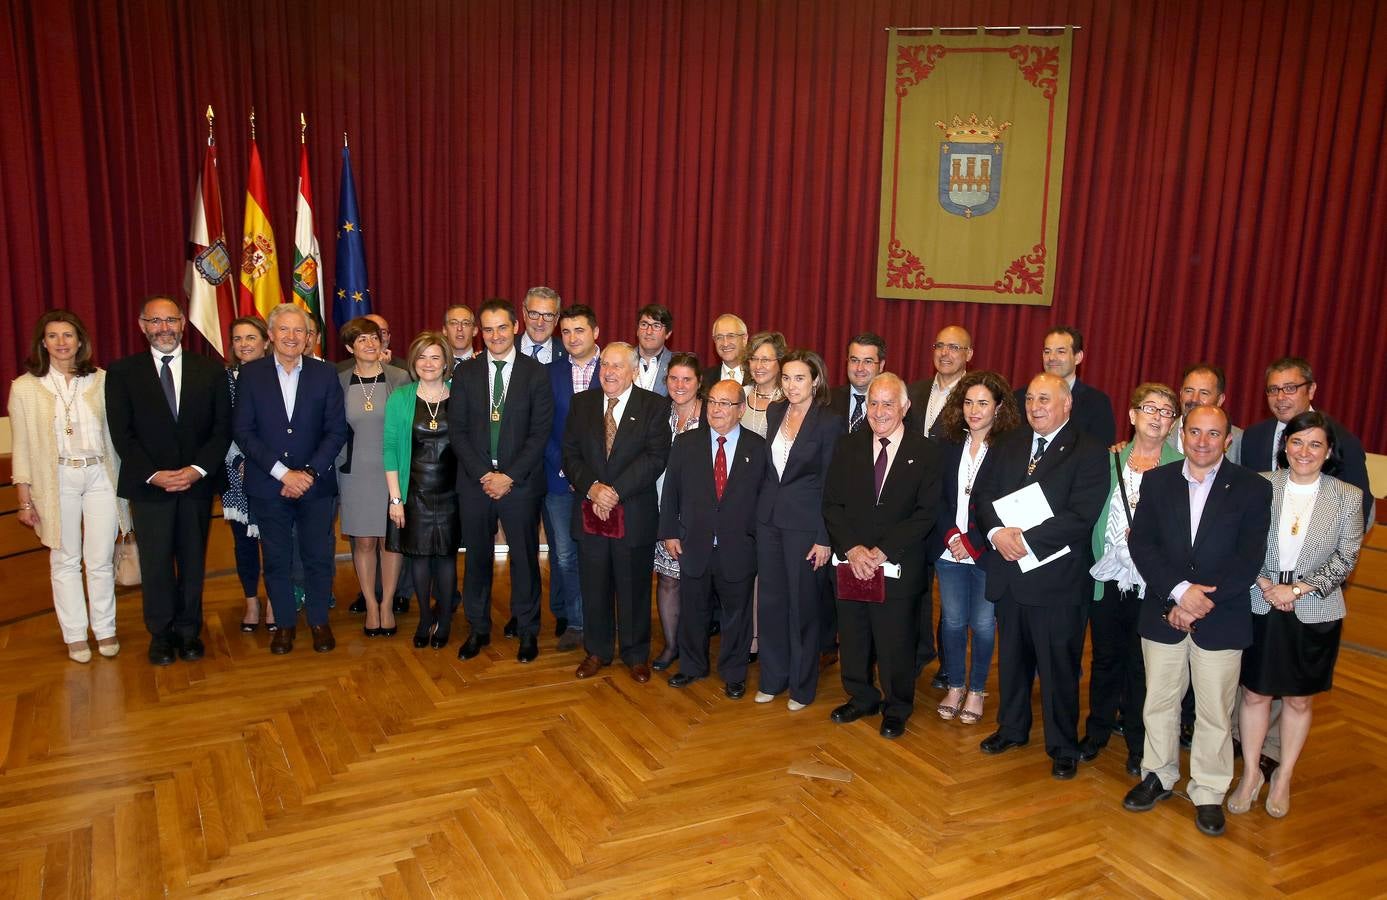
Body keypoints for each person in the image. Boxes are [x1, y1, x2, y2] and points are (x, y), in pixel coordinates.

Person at [1123, 406, 1271, 838]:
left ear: (1228, 439)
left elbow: (1248, 559)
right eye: (1194, 432)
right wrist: (1177, 592)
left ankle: (1207, 791)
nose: (1202, 442)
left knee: (1214, 712)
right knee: (1160, 701)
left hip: (1220, 615)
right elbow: (1143, 546)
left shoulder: (1252, 488)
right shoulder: (1158, 481)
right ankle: (1158, 775)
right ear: (1181, 435)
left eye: (1213, 434)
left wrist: (1199, 600)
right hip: (1163, 608)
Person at [1227, 411, 1364, 819]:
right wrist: (1269, 586)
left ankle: (1283, 775)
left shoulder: (1347, 496)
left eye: (1315, 444)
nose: (1305, 451)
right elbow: (1242, 544)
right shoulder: (1260, 486)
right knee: (1254, 693)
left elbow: (1347, 557)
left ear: (1328, 451)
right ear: (1285, 447)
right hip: (1261, 601)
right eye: (1297, 442)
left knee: (1299, 702)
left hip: (1314, 608)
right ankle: (1250, 773)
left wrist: (1298, 589)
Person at [973, 373, 1108, 780]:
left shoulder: (1089, 450)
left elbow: (1081, 515)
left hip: (1057, 581)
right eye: (1030, 398)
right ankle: (1012, 728)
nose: (1036, 407)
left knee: (1058, 669)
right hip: (1011, 573)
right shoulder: (1009, 441)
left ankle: (1062, 745)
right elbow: (982, 495)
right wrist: (998, 534)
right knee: (1011, 661)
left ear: (1067, 404)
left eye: (1045, 399)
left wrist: (1025, 540)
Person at [105, 295, 231, 665]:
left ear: (182, 324)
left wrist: (196, 471)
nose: (164, 329)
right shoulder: (122, 372)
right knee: (157, 563)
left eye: (171, 321)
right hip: (149, 487)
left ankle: (189, 632)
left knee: (193, 562)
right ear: (143, 326)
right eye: (156, 322)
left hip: (196, 485)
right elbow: (121, 434)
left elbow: (221, 431)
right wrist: (155, 475)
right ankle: (160, 634)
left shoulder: (209, 370)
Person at [823, 374, 942, 738]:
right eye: (873, 403)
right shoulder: (848, 446)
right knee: (855, 634)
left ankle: (897, 706)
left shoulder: (925, 452)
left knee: (895, 641)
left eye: (888, 403)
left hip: (897, 564)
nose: (879, 411)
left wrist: (884, 550)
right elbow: (832, 504)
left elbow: (926, 512)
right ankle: (861, 696)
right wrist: (853, 549)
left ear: (905, 407)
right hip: (853, 561)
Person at [9, 310, 128, 663]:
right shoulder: (25, 387)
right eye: (53, 336)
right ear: (42, 343)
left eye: (68, 335)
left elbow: (118, 435)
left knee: (100, 559)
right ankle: (75, 634)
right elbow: (22, 446)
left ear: (80, 341)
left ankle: (105, 629)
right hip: (56, 478)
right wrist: (24, 500)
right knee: (64, 559)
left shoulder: (103, 380)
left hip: (100, 477)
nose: (61, 343)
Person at [233, 303, 349, 655]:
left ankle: (318, 621)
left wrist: (309, 473)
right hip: (269, 486)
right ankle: (283, 624)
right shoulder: (251, 375)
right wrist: (284, 474)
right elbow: (243, 431)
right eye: (284, 329)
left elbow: (335, 430)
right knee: (277, 559)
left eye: (299, 331)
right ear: (271, 335)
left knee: (317, 557)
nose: (291, 337)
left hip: (316, 486)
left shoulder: (324, 373)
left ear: (309, 337)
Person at [1079, 383, 1184, 775]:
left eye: (1166, 411)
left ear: (1173, 422)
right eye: (1149, 408)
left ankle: (1140, 744)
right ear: (1132, 415)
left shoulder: (1181, 466)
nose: (1157, 416)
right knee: (1105, 658)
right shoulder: (1108, 460)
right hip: (1108, 577)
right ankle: (1097, 731)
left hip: (1153, 584)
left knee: (1144, 667)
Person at [450, 298, 554, 663]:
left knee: (524, 559)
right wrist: (485, 474)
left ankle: (527, 630)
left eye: (502, 328)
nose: (495, 335)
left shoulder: (536, 373)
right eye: (488, 329)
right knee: (477, 558)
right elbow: (458, 432)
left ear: (516, 328)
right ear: (482, 332)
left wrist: (508, 475)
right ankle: (478, 628)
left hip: (520, 483)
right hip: (475, 483)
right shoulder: (465, 374)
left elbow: (540, 433)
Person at [563, 342, 672, 682]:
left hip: (633, 513)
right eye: (604, 365)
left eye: (616, 366)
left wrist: (615, 492)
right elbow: (570, 454)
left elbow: (656, 457)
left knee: (633, 587)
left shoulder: (653, 405)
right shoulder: (582, 404)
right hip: (590, 511)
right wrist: (593, 488)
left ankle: (635, 654)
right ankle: (597, 651)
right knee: (593, 585)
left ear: (634, 371)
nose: (608, 372)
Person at [930, 371, 1021, 727]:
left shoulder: (1010, 450)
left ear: (998, 407)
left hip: (987, 552)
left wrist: (972, 541)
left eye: (983, 403)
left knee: (983, 625)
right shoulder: (947, 444)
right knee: (952, 622)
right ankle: (954, 685)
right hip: (948, 549)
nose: (974, 410)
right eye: (968, 402)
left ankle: (977, 690)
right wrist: (952, 535)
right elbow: (936, 496)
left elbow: (1005, 504)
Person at [662, 378, 762, 697]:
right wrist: (669, 532)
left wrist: (757, 540)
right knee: (694, 610)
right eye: (713, 402)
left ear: (741, 410)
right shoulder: (686, 443)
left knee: (737, 615)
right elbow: (671, 494)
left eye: (726, 403)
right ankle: (692, 666)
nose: (717, 409)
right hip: (694, 543)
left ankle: (734, 672)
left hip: (739, 546)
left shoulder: (757, 448)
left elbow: (764, 499)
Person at [755, 349, 842, 711]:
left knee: (803, 607)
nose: (791, 385)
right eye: (787, 378)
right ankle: (773, 679)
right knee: (772, 603)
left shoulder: (829, 421)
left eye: (800, 378)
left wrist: (824, 537)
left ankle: (801, 687)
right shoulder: (775, 412)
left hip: (807, 527)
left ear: (816, 380)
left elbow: (831, 483)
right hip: (769, 522)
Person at [385, 333, 463, 648]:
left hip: (451, 494)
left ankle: (444, 620)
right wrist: (395, 500)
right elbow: (389, 449)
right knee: (418, 560)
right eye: (421, 357)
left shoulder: (460, 396)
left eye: (434, 357)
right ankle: (424, 619)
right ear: (414, 363)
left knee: (445, 559)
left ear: (446, 362)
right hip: (412, 492)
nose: (428, 363)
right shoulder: (401, 397)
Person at [337, 317, 411, 636]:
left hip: (392, 473)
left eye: (373, 337)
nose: (369, 343)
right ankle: (370, 604)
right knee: (364, 541)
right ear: (349, 348)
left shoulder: (400, 377)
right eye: (361, 340)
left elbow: (410, 427)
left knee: (390, 541)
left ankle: (388, 603)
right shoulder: (338, 381)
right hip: (354, 474)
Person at [1241, 357, 1374, 528]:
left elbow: (1358, 510)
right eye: (1273, 389)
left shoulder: (1342, 441)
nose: (1280, 397)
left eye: (1290, 388)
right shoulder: (1253, 437)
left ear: (1311, 390)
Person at [545, 304, 603, 651]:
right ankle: (576, 622)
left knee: (600, 554)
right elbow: (542, 430)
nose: (571, 338)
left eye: (579, 330)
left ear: (595, 331)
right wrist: (569, 470)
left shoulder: (613, 368)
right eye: (565, 332)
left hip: (603, 484)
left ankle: (601, 620)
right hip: (560, 480)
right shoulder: (549, 373)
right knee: (565, 555)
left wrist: (592, 478)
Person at [652, 352, 704, 670]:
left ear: (699, 383)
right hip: (660, 509)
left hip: (698, 516)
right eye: (673, 378)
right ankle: (671, 646)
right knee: (668, 581)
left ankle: (692, 649)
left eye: (687, 379)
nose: (679, 385)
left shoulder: (711, 417)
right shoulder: (658, 413)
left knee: (696, 585)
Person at [222, 317, 273, 631]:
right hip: (234, 473)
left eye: (251, 337)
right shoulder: (223, 379)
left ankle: (275, 600)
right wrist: (238, 461)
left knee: (273, 540)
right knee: (243, 542)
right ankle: (251, 601)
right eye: (238, 338)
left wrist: (260, 462)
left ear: (266, 341)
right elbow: (221, 425)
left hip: (269, 470)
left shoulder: (276, 377)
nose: (244, 344)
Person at [1013, 327, 1116, 446]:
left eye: (1060, 352)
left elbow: (1101, 450)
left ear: (1078, 357)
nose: (1051, 358)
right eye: (1047, 351)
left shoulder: (1097, 402)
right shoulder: (1019, 398)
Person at [1169, 364, 1243, 465]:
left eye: (1204, 393)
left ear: (1220, 400)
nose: (1194, 399)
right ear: (1181, 394)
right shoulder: (1162, 432)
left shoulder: (1239, 440)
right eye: (1189, 391)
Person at [907, 325, 973, 439]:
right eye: (939, 346)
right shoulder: (912, 391)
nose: (944, 353)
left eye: (953, 347)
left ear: (969, 354)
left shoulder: (975, 396)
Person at [740, 331, 786, 437]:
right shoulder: (740, 394)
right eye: (754, 359)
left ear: (780, 363)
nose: (758, 366)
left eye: (765, 360)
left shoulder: (788, 399)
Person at [699, 314, 748, 394]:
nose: (725, 343)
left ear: (744, 339)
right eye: (719, 337)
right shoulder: (704, 379)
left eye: (731, 336)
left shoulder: (757, 375)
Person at [519, 286, 567, 365]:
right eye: (534, 314)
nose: (540, 323)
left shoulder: (568, 353)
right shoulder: (506, 347)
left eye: (548, 315)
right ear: (524, 314)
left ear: (557, 319)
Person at [634, 304, 674, 395]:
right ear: (637, 331)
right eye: (644, 324)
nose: (648, 332)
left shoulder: (675, 364)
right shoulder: (623, 360)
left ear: (668, 334)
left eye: (656, 326)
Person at [444, 303, 478, 377]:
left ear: (475, 331)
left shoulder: (484, 363)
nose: (459, 328)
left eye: (465, 323)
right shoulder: (434, 365)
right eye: (453, 323)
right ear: (444, 330)